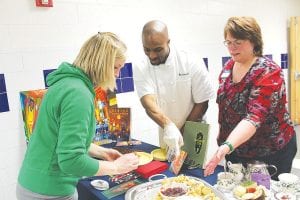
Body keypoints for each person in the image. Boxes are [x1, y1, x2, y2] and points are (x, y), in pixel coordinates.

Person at [17, 32, 139, 200]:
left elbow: (61, 140)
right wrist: (116, 168)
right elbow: (70, 160)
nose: (117, 74)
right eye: (115, 67)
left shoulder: (66, 83)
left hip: (34, 182)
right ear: (101, 64)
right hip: (49, 190)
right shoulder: (78, 94)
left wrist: (103, 152)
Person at [204, 17, 297, 180]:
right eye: (228, 42)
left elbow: (254, 117)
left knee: (263, 194)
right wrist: (226, 145)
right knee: (239, 192)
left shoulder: (269, 72)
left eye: (237, 42)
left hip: (269, 153)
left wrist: (226, 146)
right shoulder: (228, 68)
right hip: (236, 150)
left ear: (253, 40)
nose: (232, 48)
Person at [134, 20, 215, 161]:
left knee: (196, 173)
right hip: (166, 130)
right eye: (147, 49)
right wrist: (168, 126)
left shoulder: (190, 60)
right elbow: (148, 103)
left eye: (158, 49)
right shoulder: (141, 65)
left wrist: (182, 133)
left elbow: (202, 102)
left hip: (194, 128)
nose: (152, 55)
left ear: (168, 42)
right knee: (169, 175)